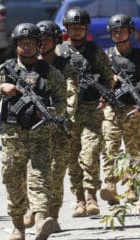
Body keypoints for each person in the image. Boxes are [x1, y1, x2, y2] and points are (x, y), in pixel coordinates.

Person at [0, 23, 66, 240]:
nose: (27, 47)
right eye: (23, 43)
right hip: (13, 137)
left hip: (39, 136)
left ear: (39, 45)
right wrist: (1, 89)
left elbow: (62, 101)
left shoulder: (50, 72)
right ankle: (18, 227)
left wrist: (51, 111)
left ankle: (40, 222)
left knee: (39, 178)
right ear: (16, 44)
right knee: (13, 181)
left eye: (32, 43)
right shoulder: (5, 69)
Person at [57, 7, 114, 217]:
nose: (77, 31)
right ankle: (79, 200)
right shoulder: (59, 52)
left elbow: (108, 76)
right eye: (73, 27)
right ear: (67, 28)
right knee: (73, 158)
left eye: (81, 28)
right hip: (68, 113)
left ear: (86, 28)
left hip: (91, 109)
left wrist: (105, 96)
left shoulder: (94, 51)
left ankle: (92, 197)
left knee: (89, 154)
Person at [23, 20, 79, 232]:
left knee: (56, 173)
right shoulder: (30, 64)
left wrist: (61, 117)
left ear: (56, 41)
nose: (43, 43)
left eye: (48, 39)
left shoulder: (66, 66)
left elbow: (72, 96)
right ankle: (35, 210)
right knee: (33, 171)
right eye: (41, 39)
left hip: (59, 128)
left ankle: (51, 216)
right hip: (34, 128)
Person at [100, 14, 140, 205]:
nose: (118, 33)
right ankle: (111, 185)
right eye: (114, 31)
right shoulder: (106, 56)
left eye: (121, 30)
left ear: (130, 32)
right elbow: (97, 82)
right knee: (109, 147)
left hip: (133, 109)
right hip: (112, 109)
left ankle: (132, 186)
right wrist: (109, 82)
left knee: (134, 148)